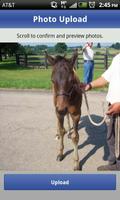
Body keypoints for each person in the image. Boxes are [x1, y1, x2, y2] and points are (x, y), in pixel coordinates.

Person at [84, 53, 120, 171]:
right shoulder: (117, 58)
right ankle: (114, 162)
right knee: (111, 137)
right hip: (113, 106)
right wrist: (90, 85)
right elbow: (106, 77)